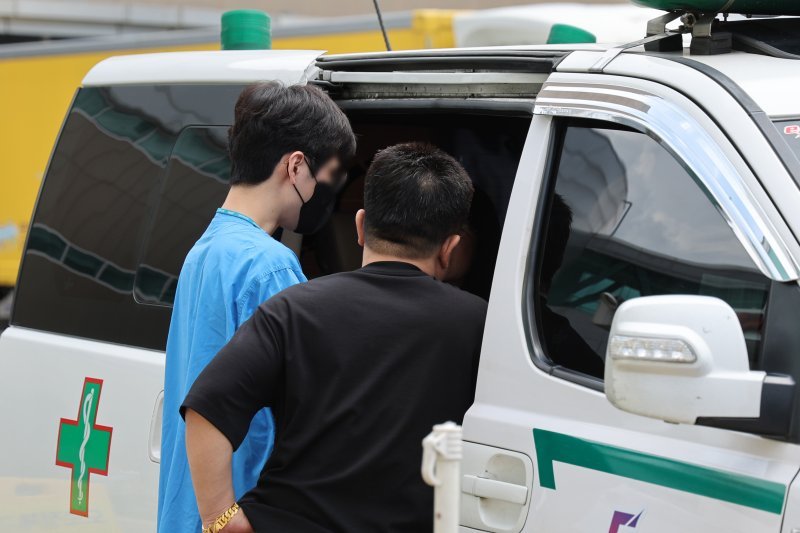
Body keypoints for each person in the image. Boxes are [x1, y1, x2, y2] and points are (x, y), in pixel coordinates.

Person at [182, 143, 487, 533]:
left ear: (360, 227)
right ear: (450, 248)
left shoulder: (292, 309)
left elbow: (205, 410)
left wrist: (220, 520)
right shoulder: (478, 325)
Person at [157, 81, 356, 533]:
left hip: (190, 510)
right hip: (244, 509)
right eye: (326, 175)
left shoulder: (206, 249)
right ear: (297, 165)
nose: (325, 190)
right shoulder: (269, 266)